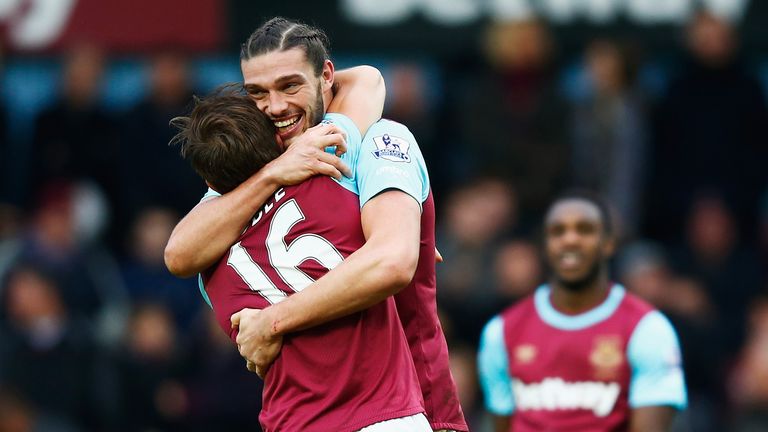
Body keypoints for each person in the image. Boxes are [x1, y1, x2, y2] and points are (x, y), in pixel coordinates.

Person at [164, 17, 467, 432]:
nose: (274, 106)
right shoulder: (342, 158)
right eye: (256, 93)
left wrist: (272, 320)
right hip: (392, 414)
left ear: (326, 76)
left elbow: (179, 254)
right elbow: (366, 80)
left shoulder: (213, 251)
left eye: (290, 85)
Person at [478, 191, 687, 431]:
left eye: (584, 230)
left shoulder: (648, 329)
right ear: (545, 245)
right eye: (557, 231)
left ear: (609, 243)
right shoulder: (501, 331)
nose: (570, 240)